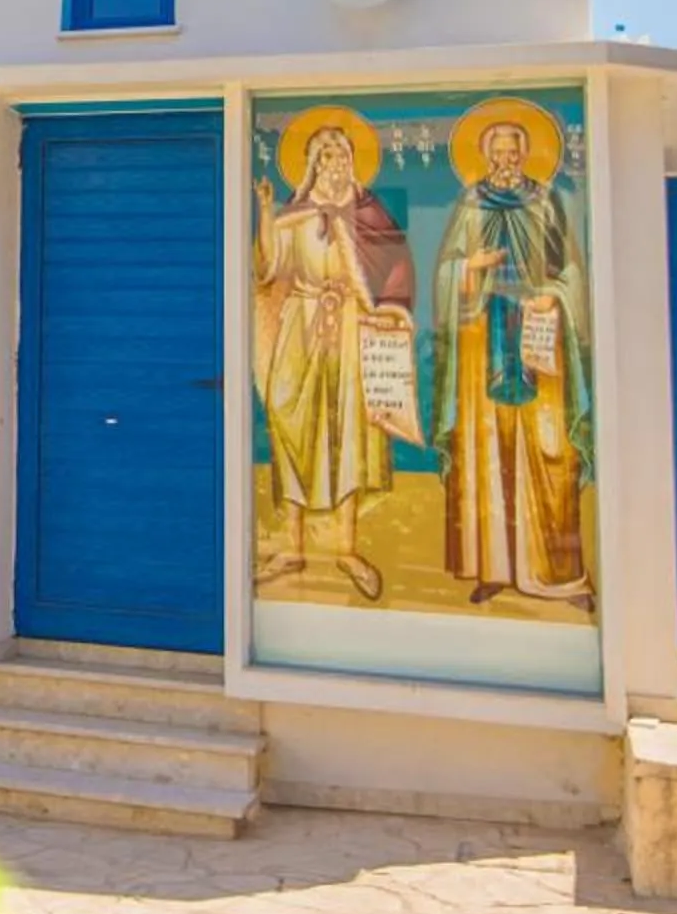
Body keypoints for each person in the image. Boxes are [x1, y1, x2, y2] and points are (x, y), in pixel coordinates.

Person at [431, 111, 596, 610]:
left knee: (550, 452)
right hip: (482, 341)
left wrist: (555, 297)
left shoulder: (548, 202)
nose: (505, 161)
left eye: (513, 152)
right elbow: (444, 273)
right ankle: (495, 567)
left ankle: (559, 574)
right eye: (497, 152)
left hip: (538, 339)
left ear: (527, 155)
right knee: (487, 454)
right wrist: (468, 267)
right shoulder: (470, 202)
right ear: (485, 156)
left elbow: (571, 269)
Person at [252, 120, 417, 601]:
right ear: (312, 165)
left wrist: (390, 310)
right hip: (300, 326)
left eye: (342, 155)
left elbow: (397, 265)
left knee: (349, 433)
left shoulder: (368, 214)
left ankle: (347, 547)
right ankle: (292, 544)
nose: (336, 165)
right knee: (289, 425)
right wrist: (265, 210)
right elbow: (267, 268)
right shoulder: (295, 214)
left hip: (347, 325)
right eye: (326, 157)